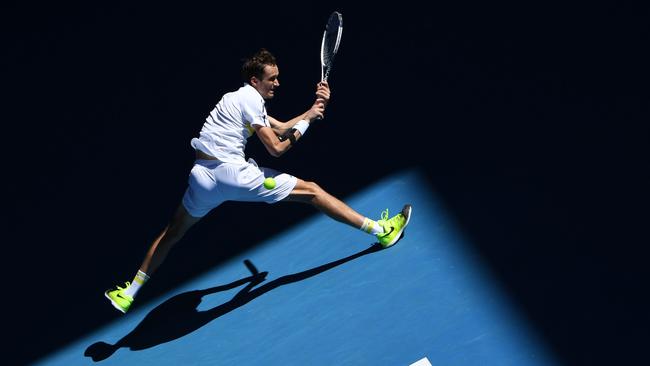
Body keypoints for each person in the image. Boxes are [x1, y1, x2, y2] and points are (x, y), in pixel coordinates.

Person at [105, 48, 412, 314]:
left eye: (277, 77)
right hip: (232, 174)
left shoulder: (237, 98)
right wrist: (306, 124)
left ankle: (129, 293)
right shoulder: (251, 99)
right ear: (255, 80)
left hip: (202, 177)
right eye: (272, 79)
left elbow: (279, 127)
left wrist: (313, 109)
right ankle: (381, 231)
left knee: (172, 232)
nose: (277, 83)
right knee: (313, 191)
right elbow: (277, 147)